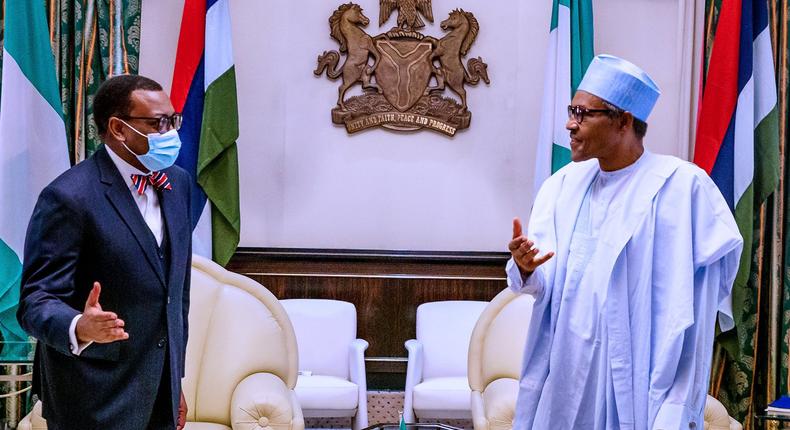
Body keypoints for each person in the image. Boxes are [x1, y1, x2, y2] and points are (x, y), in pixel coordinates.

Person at [507, 54, 743, 429]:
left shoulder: (682, 187)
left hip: (641, 369)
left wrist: (681, 391)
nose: (570, 123)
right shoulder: (562, 187)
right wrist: (525, 266)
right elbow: (543, 283)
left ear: (624, 121)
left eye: (583, 113)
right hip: (568, 372)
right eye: (572, 111)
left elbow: (705, 291)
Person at [17, 74, 192, 430]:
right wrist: (80, 325)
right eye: (158, 123)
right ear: (118, 128)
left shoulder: (179, 184)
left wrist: (175, 382)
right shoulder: (68, 197)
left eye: (173, 120)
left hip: (159, 391)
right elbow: (36, 301)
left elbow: (177, 295)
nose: (170, 132)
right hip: (91, 395)